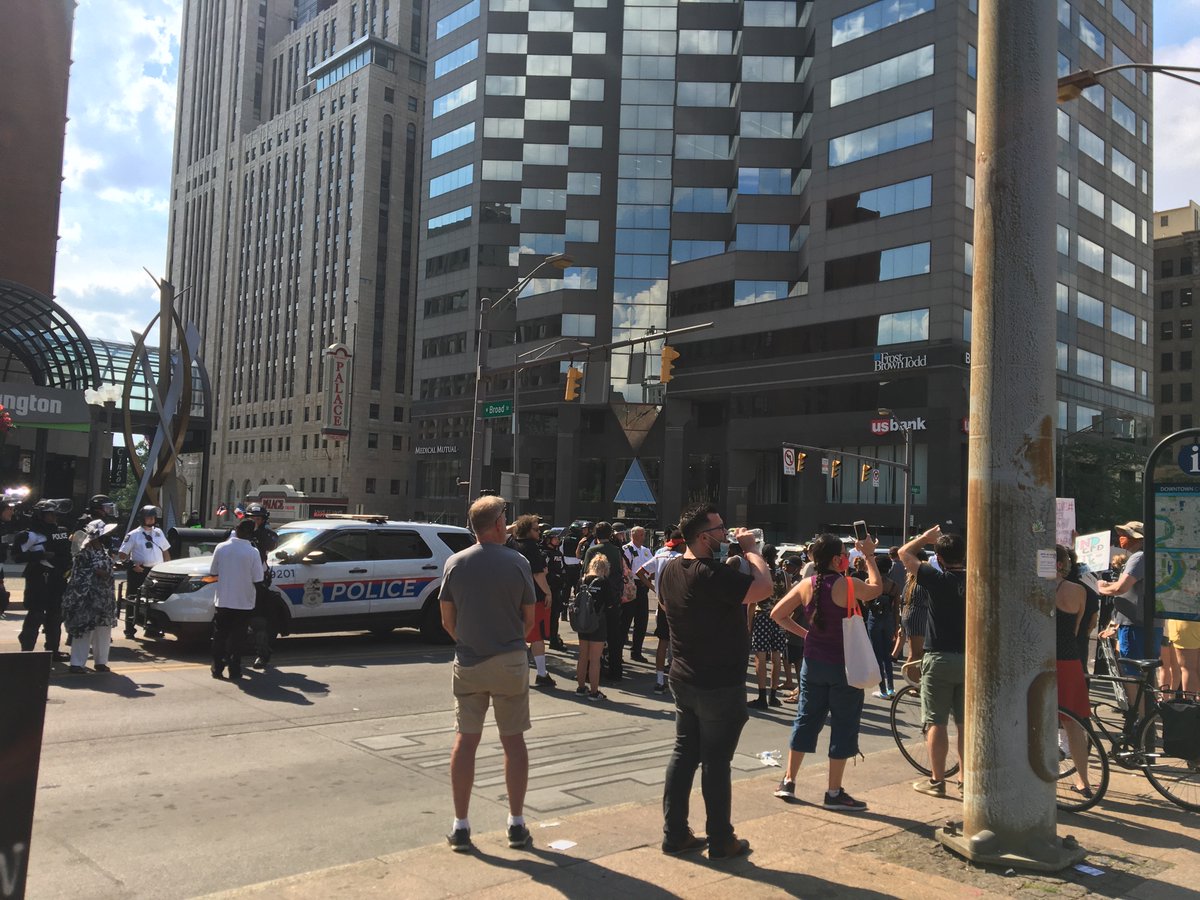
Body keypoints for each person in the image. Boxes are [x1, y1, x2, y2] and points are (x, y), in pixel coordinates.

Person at [658, 504, 773, 860]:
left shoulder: (672, 569)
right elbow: (764, 588)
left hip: (684, 676)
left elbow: (666, 607)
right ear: (704, 536)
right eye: (721, 529)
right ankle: (721, 839)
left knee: (684, 755)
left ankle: (675, 833)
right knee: (716, 762)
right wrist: (752, 549)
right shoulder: (711, 573)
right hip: (718, 682)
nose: (727, 534)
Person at [439, 495, 536, 853]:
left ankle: (461, 826)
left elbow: (447, 620)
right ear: (497, 524)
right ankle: (516, 823)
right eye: (505, 519)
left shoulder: (455, 563)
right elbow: (530, 617)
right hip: (509, 658)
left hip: (469, 661)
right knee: (514, 741)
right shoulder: (518, 562)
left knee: (466, 739)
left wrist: (467, 639)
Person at [770, 533, 884, 810]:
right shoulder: (848, 584)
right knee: (843, 725)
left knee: (806, 719)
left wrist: (806, 633)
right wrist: (868, 556)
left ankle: (788, 780)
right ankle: (833, 792)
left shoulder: (806, 585)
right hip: (845, 666)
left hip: (813, 664)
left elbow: (777, 614)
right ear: (837, 559)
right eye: (844, 553)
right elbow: (876, 588)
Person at [899, 525, 967, 798]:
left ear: (939, 558)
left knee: (936, 721)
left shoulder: (936, 579)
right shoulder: (976, 579)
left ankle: (937, 780)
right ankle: (965, 779)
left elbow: (905, 553)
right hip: (970, 658)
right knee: (965, 724)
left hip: (939, 656)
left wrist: (925, 539)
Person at [1096, 522, 1160, 687]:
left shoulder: (1138, 557)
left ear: (1135, 538)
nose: (1120, 537)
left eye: (1125, 534)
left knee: (1131, 671)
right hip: (1148, 622)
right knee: (1146, 672)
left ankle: (1137, 712)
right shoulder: (1152, 555)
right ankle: (1147, 709)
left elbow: (1120, 588)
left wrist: (1102, 587)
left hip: (1134, 623)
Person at [1054, 544, 1095, 798]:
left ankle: (1040, 773)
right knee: (1074, 724)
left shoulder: (1037, 589)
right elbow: (1077, 627)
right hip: (1070, 659)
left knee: (1037, 718)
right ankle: (1084, 781)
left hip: (1042, 661)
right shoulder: (1079, 591)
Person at [16, 499, 73, 659]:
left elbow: (67, 553)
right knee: (36, 614)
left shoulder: (61, 531)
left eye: (55, 514)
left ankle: (52, 651)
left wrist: (68, 567)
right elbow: (17, 556)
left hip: (58, 578)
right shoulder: (29, 534)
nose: (54, 517)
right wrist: (39, 555)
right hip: (38, 577)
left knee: (55, 616)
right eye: (50, 514)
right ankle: (26, 652)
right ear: (40, 515)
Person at [209, 519, 264, 680]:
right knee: (237, 638)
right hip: (243, 602)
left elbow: (213, 571)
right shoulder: (253, 552)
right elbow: (258, 579)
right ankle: (234, 669)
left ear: (237, 530)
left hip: (224, 600)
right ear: (250, 534)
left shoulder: (221, 547)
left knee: (220, 635)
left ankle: (217, 667)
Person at [62, 519, 119, 674]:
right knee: (84, 629)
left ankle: (101, 662)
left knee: (103, 630)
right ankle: (77, 663)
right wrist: (97, 572)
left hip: (104, 597)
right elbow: (78, 574)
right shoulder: (83, 552)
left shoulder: (103, 550)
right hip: (87, 598)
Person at [509, 515, 556, 689]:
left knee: (519, 637)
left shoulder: (511, 544)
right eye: (536, 529)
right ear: (528, 530)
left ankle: (515, 673)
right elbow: (538, 574)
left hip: (514, 597)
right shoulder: (532, 548)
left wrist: (516, 526)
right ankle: (542, 674)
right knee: (537, 637)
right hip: (533, 598)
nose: (539, 532)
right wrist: (548, 592)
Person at [636, 529, 684, 695]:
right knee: (680, 644)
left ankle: (659, 681)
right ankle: (678, 681)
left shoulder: (660, 556)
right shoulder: (682, 558)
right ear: (682, 544)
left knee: (663, 642)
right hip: (679, 605)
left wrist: (653, 588)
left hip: (663, 604)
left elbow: (640, 572)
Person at [118, 505, 171, 638]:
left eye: (153, 516)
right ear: (142, 518)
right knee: (132, 600)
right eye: (149, 517)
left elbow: (165, 551)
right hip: (139, 571)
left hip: (157, 571)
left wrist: (168, 567)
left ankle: (152, 628)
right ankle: (129, 629)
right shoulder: (133, 535)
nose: (152, 519)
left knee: (154, 601)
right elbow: (122, 555)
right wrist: (132, 565)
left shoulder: (158, 532)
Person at [583, 522, 627, 682]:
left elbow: (585, 572)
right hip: (612, 596)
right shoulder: (616, 551)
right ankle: (616, 670)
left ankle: (590, 670)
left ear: (595, 534)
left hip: (594, 599)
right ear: (610, 535)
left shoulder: (591, 550)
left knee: (592, 634)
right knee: (614, 636)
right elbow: (619, 571)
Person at [749, 544, 788, 709]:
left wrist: (748, 624)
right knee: (776, 656)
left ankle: (762, 696)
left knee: (761, 656)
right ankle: (773, 695)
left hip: (763, 616)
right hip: (779, 617)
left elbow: (752, 601)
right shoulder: (784, 575)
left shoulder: (760, 574)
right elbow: (788, 596)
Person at [575, 555, 616, 699]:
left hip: (582, 621)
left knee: (582, 657)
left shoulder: (582, 580)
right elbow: (610, 603)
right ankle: (594, 691)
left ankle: (580, 687)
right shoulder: (604, 582)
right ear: (605, 568)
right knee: (595, 659)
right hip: (598, 622)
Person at [245, 503, 279, 668]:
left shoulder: (267, 535)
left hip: (258, 582)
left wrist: (258, 533)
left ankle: (262, 655)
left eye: (258, 519)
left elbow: (271, 543)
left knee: (259, 621)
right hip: (240, 582)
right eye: (252, 519)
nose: (255, 522)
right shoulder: (237, 534)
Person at [865, 559, 901, 699]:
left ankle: (883, 690)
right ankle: (891, 688)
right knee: (887, 655)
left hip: (874, 618)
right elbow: (896, 608)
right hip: (889, 620)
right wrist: (896, 626)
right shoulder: (894, 586)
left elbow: (865, 603)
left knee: (877, 655)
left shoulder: (869, 582)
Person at [623, 526, 655, 662]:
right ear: (634, 535)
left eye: (644, 534)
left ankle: (636, 652)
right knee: (625, 621)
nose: (644, 537)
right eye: (641, 534)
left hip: (643, 588)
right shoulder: (626, 549)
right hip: (631, 586)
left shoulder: (646, 550)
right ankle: (617, 653)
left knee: (641, 622)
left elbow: (652, 567)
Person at [542, 528, 568, 652]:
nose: (558, 540)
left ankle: (553, 639)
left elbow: (563, 568)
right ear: (547, 540)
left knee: (555, 615)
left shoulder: (558, 554)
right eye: (555, 538)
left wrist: (562, 578)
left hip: (557, 589)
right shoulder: (544, 554)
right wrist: (553, 577)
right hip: (546, 589)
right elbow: (543, 572)